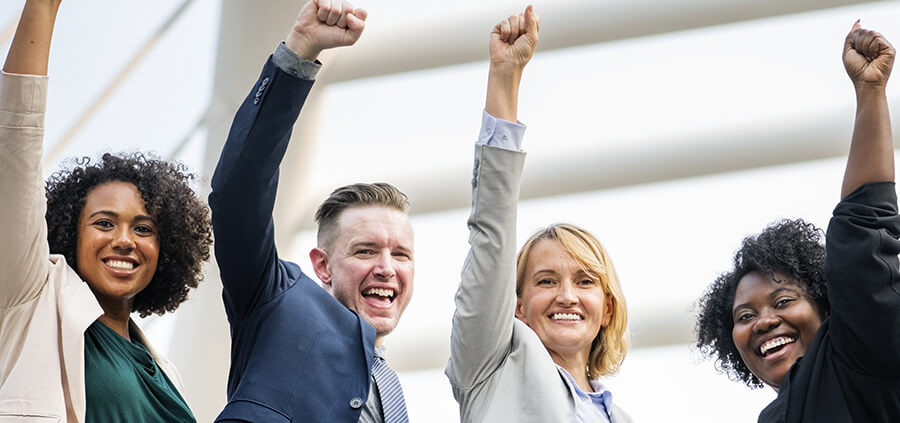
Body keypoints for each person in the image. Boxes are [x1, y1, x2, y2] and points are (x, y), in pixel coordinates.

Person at [0, 0, 213, 422]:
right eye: (103, 223)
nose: (124, 240)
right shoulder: (32, 299)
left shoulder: (163, 369)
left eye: (144, 228)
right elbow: (15, 145)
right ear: (69, 233)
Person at [209, 1, 414, 421]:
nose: (387, 268)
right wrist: (299, 52)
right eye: (365, 251)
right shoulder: (276, 300)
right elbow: (238, 195)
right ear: (322, 266)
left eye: (401, 254)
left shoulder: (389, 390)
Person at [695, 22, 900, 422]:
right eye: (745, 316)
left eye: (784, 301)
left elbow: (864, 226)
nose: (765, 321)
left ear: (827, 304)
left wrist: (870, 93)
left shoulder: (862, 359)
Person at [445, 7, 633, 422]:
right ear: (516, 306)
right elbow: (490, 233)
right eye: (546, 281)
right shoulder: (492, 370)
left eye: (585, 282)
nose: (566, 296)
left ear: (607, 309)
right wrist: (505, 76)